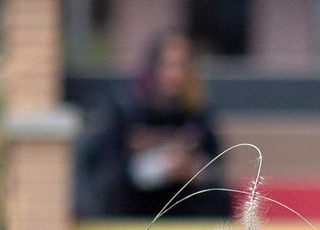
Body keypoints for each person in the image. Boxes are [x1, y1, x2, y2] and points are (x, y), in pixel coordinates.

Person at [75, 31, 230, 220]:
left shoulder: (197, 113)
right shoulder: (127, 109)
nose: (175, 74)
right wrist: (158, 167)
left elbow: (215, 165)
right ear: (153, 67)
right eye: (169, 65)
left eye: (183, 66)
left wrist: (191, 169)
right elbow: (109, 169)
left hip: (182, 208)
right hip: (134, 211)